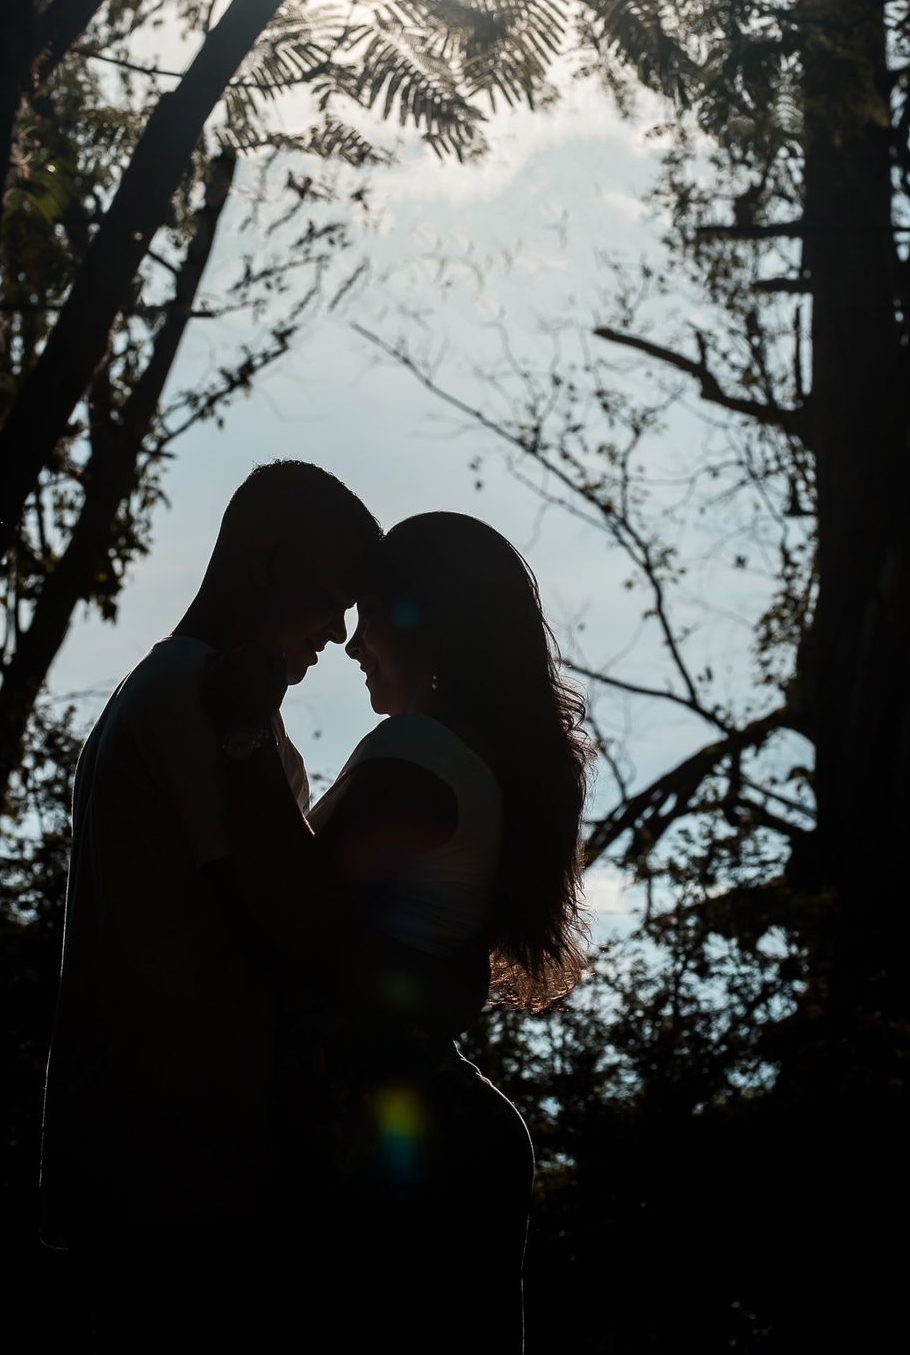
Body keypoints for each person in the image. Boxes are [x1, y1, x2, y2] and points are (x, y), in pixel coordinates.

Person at [202, 511, 591, 1336]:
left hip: (393, 1150)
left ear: (422, 619)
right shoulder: (469, 760)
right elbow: (424, 970)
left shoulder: (416, 752)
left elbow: (300, 923)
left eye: (369, 616)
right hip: (428, 1138)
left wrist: (241, 734)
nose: (348, 646)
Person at [39, 460, 382, 1275]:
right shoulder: (190, 694)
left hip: (171, 1145)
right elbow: (275, 913)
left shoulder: (184, 690)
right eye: (336, 598)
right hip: (174, 1153)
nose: (338, 632)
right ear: (268, 562)